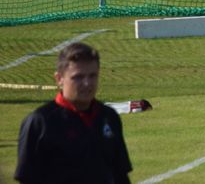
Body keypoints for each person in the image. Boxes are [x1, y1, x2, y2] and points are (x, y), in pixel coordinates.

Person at [15, 42, 133, 184]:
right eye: (78, 77)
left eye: (92, 76)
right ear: (59, 79)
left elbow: (120, 174)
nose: (87, 83)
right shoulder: (40, 122)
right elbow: (28, 179)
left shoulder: (108, 117)